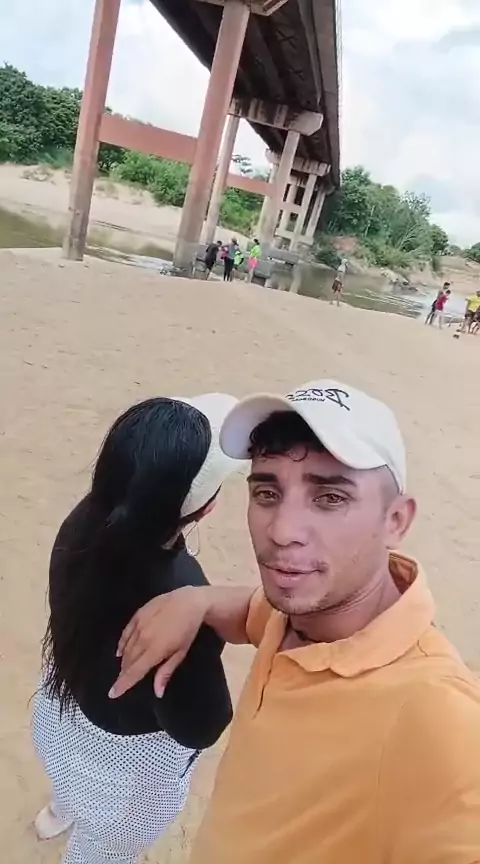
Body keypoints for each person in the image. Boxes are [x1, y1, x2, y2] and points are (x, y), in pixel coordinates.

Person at [112, 379, 480, 864]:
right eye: (267, 492)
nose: (282, 531)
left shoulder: (437, 715)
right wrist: (195, 601)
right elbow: (251, 612)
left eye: (330, 498)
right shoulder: (301, 613)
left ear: (396, 521)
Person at [31, 394, 240, 864]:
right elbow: (201, 725)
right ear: (205, 508)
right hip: (120, 770)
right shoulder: (182, 602)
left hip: (58, 713)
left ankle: (57, 811)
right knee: (102, 850)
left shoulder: (84, 519)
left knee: (67, 783)